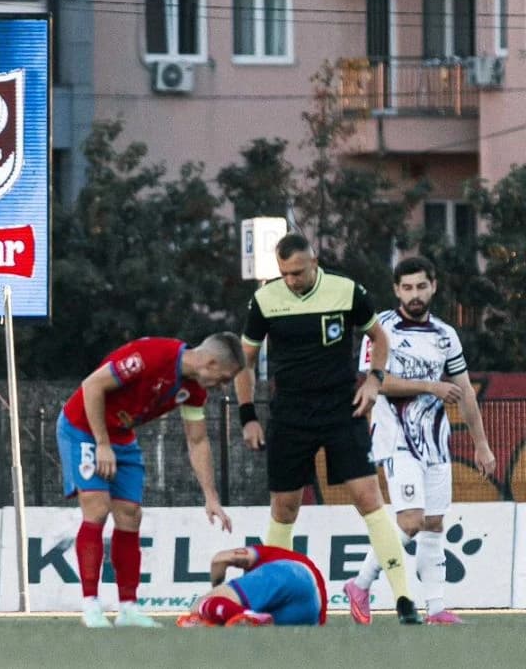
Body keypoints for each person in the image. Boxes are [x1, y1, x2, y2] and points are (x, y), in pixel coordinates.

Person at [235, 232, 422, 624]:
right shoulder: (265, 300)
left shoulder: (347, 291)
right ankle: (270, 601)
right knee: (284, 508)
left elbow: (379, 338)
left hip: (341, 410)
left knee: (368, 499)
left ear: (314, 262)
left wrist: (374, 380)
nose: (292, 280)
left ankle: (405, 600)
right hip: (290, 414)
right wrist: (248, 415)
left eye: (298, 272)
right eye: (285, 273)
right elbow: (244, 361)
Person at [345, 256, 495, 626]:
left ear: (433, 287)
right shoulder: (381, 330)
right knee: (410, 520)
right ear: (396, 290)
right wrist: (429, 385)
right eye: (407, 288)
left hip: (435, 441)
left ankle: (436, 607)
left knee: (433, 523)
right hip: (396, 438)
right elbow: (374, 382)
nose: (414, 294)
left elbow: (465, 392)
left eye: (421, 286)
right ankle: (360, 584)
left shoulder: (446, 335)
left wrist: (482, 444)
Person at [57, 333, 243, 629]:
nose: (222, 387)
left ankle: (128, 609)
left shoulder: (194, 391)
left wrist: (211, 496)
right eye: (223, 379)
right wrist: (102, 444)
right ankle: (91, 606)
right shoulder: (153, 356)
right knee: (97, 507)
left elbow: (197, 441)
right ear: (209, 363)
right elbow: (92, 385)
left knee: (131, 515)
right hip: (83, 427)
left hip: (121, 435)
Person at [176, 544, 327, 627]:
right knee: (257, 622)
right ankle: (243, 615)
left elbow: (220, 559)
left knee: (200, 604)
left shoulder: (266, 553)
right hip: (310, 612)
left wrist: (216, 591)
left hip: (292, 573)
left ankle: (241, 614)